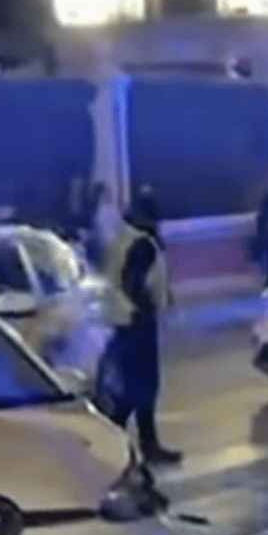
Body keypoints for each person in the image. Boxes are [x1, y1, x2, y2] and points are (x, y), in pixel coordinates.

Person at [101, 191, 181, 466]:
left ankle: (141, 446)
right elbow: (132, 281)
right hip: (136, 323)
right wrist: (144, 308)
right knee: (141, 388)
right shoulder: (143, 244)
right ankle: (117, 446)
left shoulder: (124, 237)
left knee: (135, 388)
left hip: (122, 320)